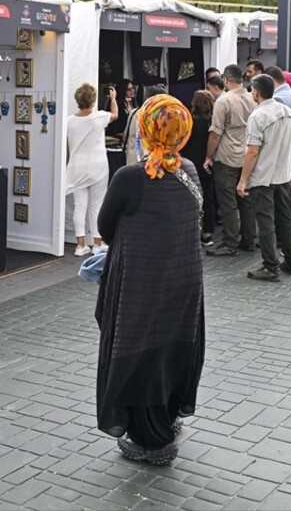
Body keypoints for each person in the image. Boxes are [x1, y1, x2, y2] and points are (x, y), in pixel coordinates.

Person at [95, 95, 205, 465]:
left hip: (142, 284)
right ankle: (167, 418)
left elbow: (104, 227)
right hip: (184, 278)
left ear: (145, 129)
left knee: (138, 352)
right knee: (170, 349)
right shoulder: (188, 169)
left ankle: (152, 441)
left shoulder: (130, 176)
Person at [237, 74, 291, 280]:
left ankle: (270, 266)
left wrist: (242, 180)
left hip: (263, 177)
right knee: (286, 219)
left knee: (265, 222)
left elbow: (252, 151)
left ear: (256, 92)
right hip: (283, 175)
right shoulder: (289, 113)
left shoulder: (258, 116)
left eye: (251, 90)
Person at [203, 66, 257, 256]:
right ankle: (249, 239)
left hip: (227, 158)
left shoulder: (223, 101)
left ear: (225, 79)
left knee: (228, 203)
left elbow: (216, 133)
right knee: (246, 200)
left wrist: (209, 156)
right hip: (248, 156)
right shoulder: (252, 98)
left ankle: (229, 242)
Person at [66, 83, 119, 256]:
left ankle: (80, 245)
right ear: (93, 101)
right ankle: (97, 243)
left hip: (77, 166)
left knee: (79, 205)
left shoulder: (69, 121)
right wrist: (113, 98)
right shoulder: (99, 117)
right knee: (97, 204)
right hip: (97, 166)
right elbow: (116, 115)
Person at [181, 90, 219, 247]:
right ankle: (208, 233)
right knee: (208, 198)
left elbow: (184, 142)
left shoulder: (190, 121)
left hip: (190, 163)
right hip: (208, 163)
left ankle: (190, 231)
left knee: (190, 198)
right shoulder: (213, 121)